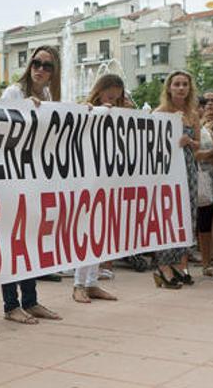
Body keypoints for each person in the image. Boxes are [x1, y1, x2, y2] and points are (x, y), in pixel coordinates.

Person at [0, 45, 62, 324]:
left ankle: (31, 300)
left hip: (35, 179)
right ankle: (11, 305)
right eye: (36, 63)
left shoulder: (49, 96)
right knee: (12, 240)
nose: (40, 69)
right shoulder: (14, 92)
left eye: (47, 66)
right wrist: (24, 110)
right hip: (11, 178)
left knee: (30, 240)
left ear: (53, 72)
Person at [71, 74, 127, 303]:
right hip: (87, 181)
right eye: (109, 95)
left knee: (100, 232)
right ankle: (78, 283)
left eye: (117, 97)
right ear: (100, 92)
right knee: (85, 230)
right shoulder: (85, 110)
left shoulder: (119, 115)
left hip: (107, 181)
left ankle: (92, 282)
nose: (113, 101)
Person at [152, 71, 200, 289]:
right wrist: (174, 143)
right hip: (167, 170)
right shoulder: (160, 112)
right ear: (169, 88)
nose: (181, 88)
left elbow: (199, 144)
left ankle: (179, 263)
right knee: (167, 215)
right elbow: (151, 146)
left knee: (187, 216)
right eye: (177, 84)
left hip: (189, 167)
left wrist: (189, 141)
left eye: (185, 84)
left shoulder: (193, 113)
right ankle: (163, 266)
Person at [196, 97, 213, 277]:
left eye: (201, 107)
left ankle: (211, 260)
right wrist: (210, 154)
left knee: (210, 222)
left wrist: (209, 155)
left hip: (210, 179)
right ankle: (205, 262)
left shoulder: (207, 130)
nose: (200, 109)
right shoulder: (187, 128)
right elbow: (193, 155)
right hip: (194, 179)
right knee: (201, 224)